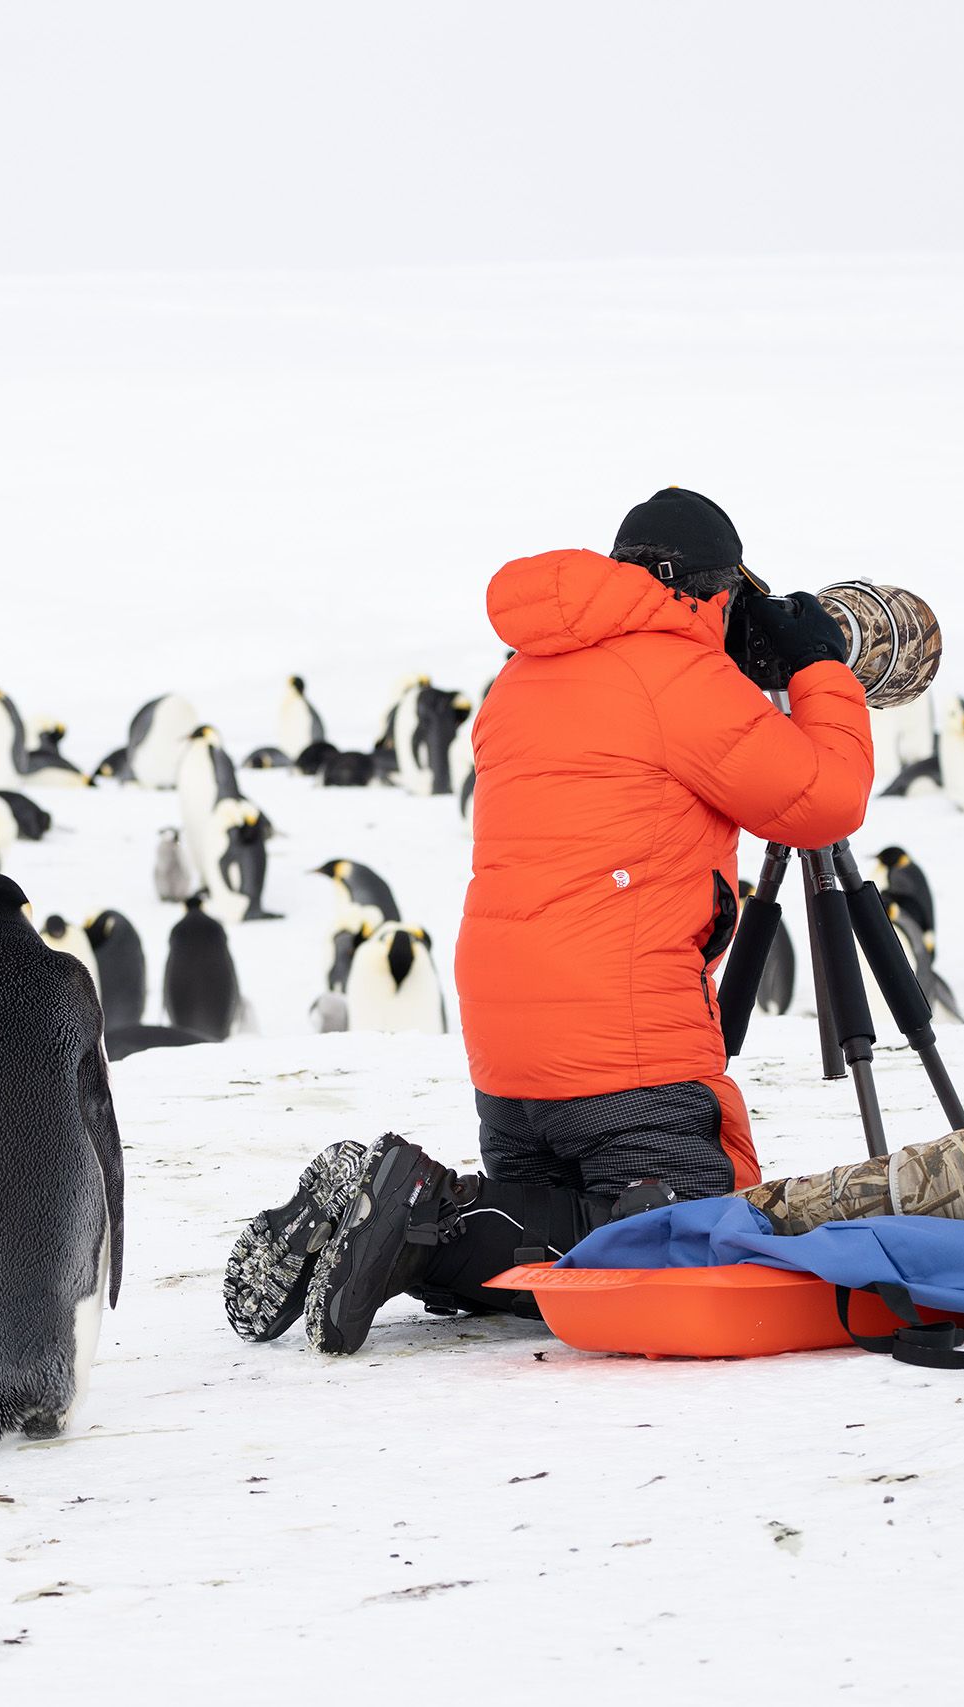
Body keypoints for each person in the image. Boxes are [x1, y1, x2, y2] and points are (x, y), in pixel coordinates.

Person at [224, 487, 873, 1354]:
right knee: (687, 1253)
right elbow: (826, 798)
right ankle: (426, 1209)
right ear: (715, 596)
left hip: (510, 1061)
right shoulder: (682, 676)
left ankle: (407, 1225)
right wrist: (818, 665)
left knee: (558, 1264)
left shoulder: (520, 673)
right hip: (623, 1055)